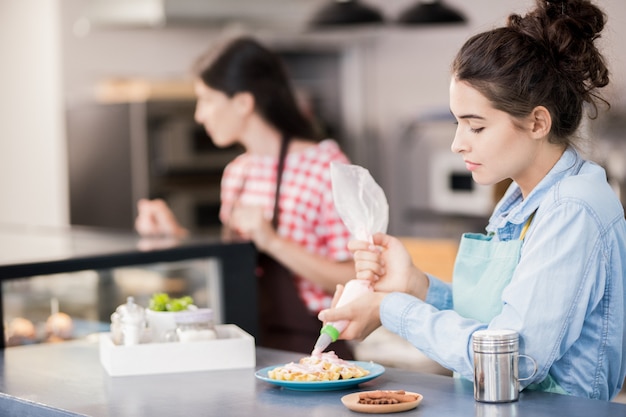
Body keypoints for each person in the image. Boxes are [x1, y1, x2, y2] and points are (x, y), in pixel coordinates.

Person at [318, 0, 626, 401]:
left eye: (475, 127)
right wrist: (417, 285)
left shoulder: (573, 209)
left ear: (537, 122)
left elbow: (513, 359)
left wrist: (390, 308)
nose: (457, 144)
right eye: (457, 122)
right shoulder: (521, 200)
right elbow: (499, 319)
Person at [134, 36, 356, 358]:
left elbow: (353, 278)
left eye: (207, 100)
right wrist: (172, 239)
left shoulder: (326, 167)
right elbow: (235, 270)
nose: (199, 115)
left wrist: (272, 241)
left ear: (243, 102)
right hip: (250, 346)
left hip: (317, 353)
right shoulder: (237, 173)